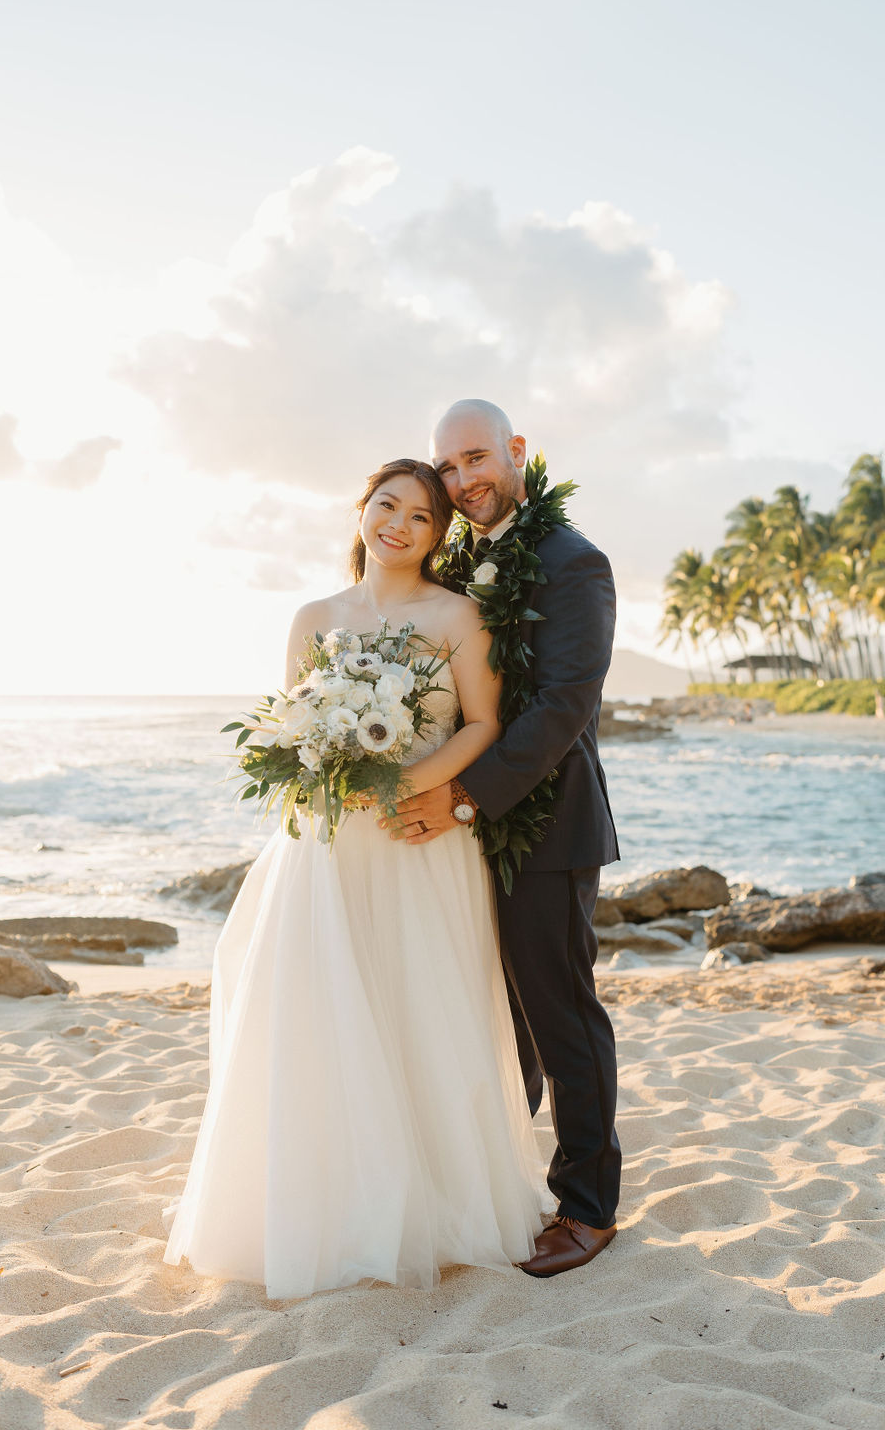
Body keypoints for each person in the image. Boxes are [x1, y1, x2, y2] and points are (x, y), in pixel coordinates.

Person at [163, 458, 546, 1299]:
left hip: (418, 842)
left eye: (419, 515)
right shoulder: (313, 617)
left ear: (439, 534)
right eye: (386, 505)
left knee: (419, 1011)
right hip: (325, 848)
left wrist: (408, 783)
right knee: (319, 1015)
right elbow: (290, 725)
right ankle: (323, 1202)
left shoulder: (457, 616)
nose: (398, 525)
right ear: (362, 511)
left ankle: (431, 1206)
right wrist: (325, 768)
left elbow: (483, 722)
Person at [387, 400, 622, 1277]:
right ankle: (502, 1183)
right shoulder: (457, 560)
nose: (462, 481)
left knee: (561, 1017)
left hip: (550, 825)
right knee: (503, 1019)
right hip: (473, 828)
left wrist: (458, 800)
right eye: (448, 468)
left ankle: (590, 1210)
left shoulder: (573, 561)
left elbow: (564, 707)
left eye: (476, 458)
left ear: (517, 452)